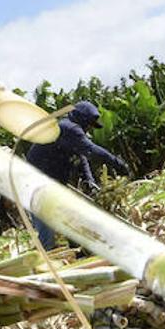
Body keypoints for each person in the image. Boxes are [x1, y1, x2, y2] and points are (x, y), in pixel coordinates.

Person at [23, 100, 128, 248]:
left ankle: (78, 253)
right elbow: (91, 151)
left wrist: (90, 182)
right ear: (82, 119)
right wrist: (118, 164)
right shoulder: (68, 128)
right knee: (47, 234)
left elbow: (83, 160)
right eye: (89, 125)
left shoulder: (71, 134)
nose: (88, 130)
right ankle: (42, 265)